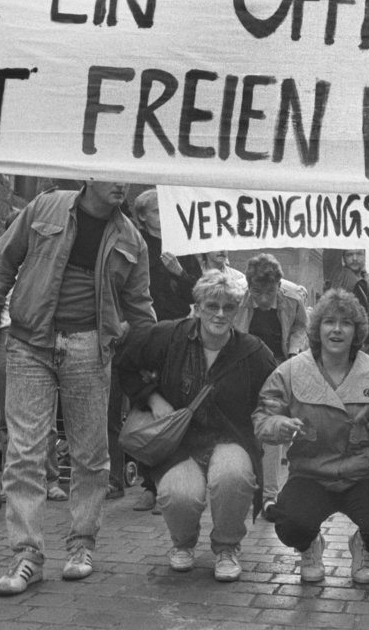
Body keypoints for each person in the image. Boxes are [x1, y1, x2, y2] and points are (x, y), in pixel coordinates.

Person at [0, 180, 155, 595]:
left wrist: (147, 354)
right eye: (113, 176)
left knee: (90, 454)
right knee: (23, 452)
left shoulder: (132, 239)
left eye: (126, 178)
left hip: (90, 347)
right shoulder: (44, 206)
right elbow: (4, 260)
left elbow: (139, 304)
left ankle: (82, 544)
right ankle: (26, 555)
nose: (121, 185)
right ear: (90, 175)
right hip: (28, 342)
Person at [117, 271, 276, 583]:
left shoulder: (254, 352)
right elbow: (126, 365)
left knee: (233, 476)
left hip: (230, 440)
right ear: (197, 306)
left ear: (237, 309)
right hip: (180, 443)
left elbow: (274, 396)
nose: (219, 314)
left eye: (228, 307)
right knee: (179, 495)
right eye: (211, 305)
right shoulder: (167, 336)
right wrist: (151, 398)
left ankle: (228, 547)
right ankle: (183, 543)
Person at [253, 288, 369, 584]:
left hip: (363, 475)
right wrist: (278, 424)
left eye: (346, 323)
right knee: (290, 523)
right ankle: (309, 543)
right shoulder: (291, 371)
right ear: (317, 327)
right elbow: (263, 417)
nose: (337, 329)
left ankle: (364, 544)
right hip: (309, 473)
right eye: (329, 322)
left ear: (357, 331)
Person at [0, 222, 67, 505]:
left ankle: (50, 479)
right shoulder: (4, 263)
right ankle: (12, 479)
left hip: (45, 333)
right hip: (7, 335)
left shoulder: (49, 260)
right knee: (8, 416)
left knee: (48, 416)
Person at [129, 189, 203, 511]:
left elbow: (198, 292)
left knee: (174, 402)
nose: (163, 215)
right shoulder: (133, 242)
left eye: (165, 209)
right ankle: (149, 484)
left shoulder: (181, 244)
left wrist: (179, 272)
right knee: (146, 404)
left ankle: (169, 481)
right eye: (156, 210)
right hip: (143, 332)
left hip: (176, 333)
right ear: (143, 215)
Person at [233, 253, 308, 520]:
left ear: (279, 285)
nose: (263, 299)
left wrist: (294, 350)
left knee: (272, 430)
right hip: (245, 369)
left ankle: (269, 497)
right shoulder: (238, 299)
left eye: (269, 292)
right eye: (257, 292)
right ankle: (243, 487)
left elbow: (301, 326)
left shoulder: (292, 298)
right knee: (244, 429)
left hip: (277, 367)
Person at [329, 250, 369, 359]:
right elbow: (331, 253)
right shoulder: (338, 277)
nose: (355, 258)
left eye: (359, 254)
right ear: (343, 257)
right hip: (348, 344)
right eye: (350, 255)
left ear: (365, 256)